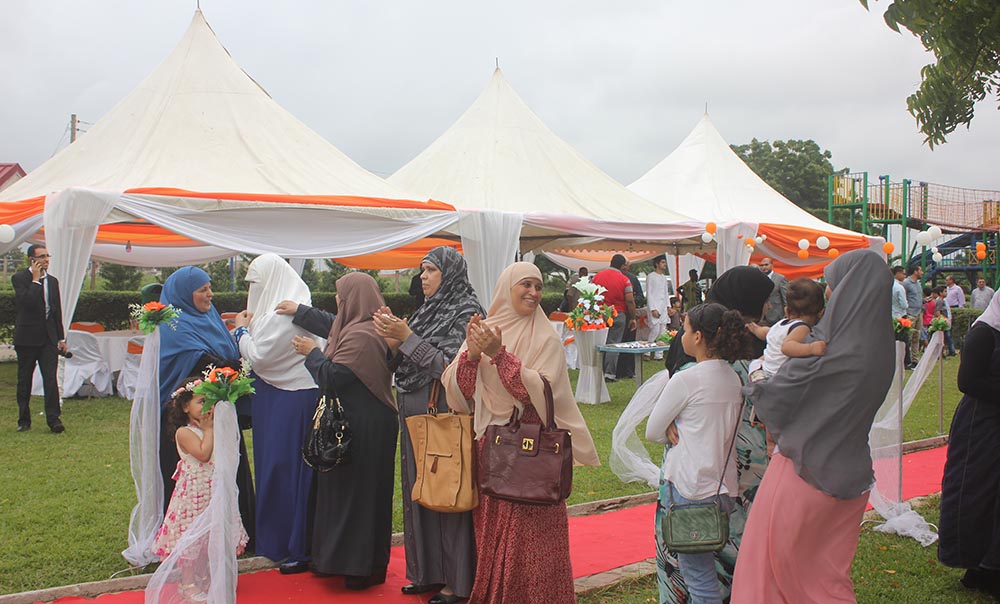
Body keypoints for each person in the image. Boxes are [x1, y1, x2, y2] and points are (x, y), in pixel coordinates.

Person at [732, 249, 895, 603]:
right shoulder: (881, 349)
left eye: (833, 283)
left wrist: (758, 374)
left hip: (804, 469)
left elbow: (780, 395)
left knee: (769, 571)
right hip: (851, 473)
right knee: (827, 575)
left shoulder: (827, 348)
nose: (828, 292)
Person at [441, 262, 600, 604]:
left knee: (534, 544)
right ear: (506, 288)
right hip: (492, 451)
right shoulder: (485, 331)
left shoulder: (545, 337)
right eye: (525, 284)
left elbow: (538, 393)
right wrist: (472, 355)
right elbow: (459, 394)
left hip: (532, 452)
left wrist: (499, 356)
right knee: (494, 539)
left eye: (538, 286)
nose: (533, 292)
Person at [656, 265, 774, 603]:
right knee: (741, 543)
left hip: (694, 460)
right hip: (747, 464)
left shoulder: (698, 336)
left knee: (692, 545)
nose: (768, 307)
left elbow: (672, 393)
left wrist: (669, 419)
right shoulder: (766, 341)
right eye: (765, 299)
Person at [373, 247, 482, 604]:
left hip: (443, 411)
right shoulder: (427, 309)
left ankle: (455, 581)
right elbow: (403, 359)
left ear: (450, 274)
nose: (423, 276)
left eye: (431, 270)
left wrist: (407, 337)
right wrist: (393, 341)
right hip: (414, 410)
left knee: (447, 489)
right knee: (419, 487)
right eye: (422, 270)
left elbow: (452, 367)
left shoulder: (466, 310)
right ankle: (426, 571)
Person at [283, 272, 397, 590]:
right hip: (354, 424)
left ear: (352, 299)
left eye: (340, 295)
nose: (337, 300)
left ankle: (361, 567)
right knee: (342, 496)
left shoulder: (362, 336)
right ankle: (336, 560)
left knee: (359, 499)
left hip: (365, 428)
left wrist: (312, 353)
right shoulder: (357, 328)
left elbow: (334, 377)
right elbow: (331, 324)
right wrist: (301, 311)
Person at [646, 303, 754, 604]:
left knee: (699, 579)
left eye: (685, 329)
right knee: (704, 572)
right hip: (722, 488)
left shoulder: (687, 379)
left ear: (697, 337)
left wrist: (670, 425)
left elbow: (652, 431)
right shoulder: (732, 378)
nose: (681, 335)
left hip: (690, 488)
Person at [232, 254, 318, 574]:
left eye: (257, 283)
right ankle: (278, 537)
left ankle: (290, 542)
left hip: (291, 399)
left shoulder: (287, 312)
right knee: (273, 467)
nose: (253, 290)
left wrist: (240, 333)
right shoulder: (288, 308)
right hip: (275, 397)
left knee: (286, 470)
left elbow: (260, 357)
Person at [158, 266, 255, 549]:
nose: (210, 294)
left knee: (227, 470)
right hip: (189, 417)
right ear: (184, 294)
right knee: (196, 481)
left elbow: (227, 354)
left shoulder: (210, 317)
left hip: (217, 411)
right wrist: (246, 364)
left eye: (209, 287)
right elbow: (205, 363)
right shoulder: (174, 324)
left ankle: (235, 534)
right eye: (202, 289)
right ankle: (189, 540)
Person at [938, 291, 1000, 600]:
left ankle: (991, 565)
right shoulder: (984, 333)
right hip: (982, 424)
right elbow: (968, 382)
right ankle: (978, 567)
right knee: (977, 493)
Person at [151, 377, 249, 566]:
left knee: (212, 535)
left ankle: (209, 575)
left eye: (211, 401)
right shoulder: (185, 432)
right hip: (195, 494)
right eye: (202, 401)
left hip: (214, 490)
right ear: (185, 406)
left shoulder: (212, 429)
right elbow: (203, 454)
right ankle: (189, 579)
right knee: (192, 540)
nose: (208, 406)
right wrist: (209, 430)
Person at [12, 245, 66, 433]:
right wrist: (35, 280)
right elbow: (27, 303)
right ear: (32, 260)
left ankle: (54, 419)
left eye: (47, 256)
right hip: (26, 338)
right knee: (24, 380)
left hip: (48, 339)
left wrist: (61, 338)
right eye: (42, 256)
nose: (46, 260)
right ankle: (24, 420)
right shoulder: (19, 278)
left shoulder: (53, 281)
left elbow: (56, 311)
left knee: (50, 379)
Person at [748, 278, 827, 381]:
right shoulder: (802, 327)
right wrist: (811, 348)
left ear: (787, 310)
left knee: (755, 363)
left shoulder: (781, 324)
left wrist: (755, 329)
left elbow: (767, 332)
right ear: (821, 313)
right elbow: (787, 347)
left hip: (765, 369)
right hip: (777, 375)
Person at [592, 254, 636, 382]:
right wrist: (633, 318)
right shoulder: (625, 279)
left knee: (598, 343)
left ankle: (596, 371)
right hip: (617, 314)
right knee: (613, 344)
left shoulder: (597, 276)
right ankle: (609, 374)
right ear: (622, 266)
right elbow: (630, 300)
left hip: (599, 314)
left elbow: (590, 294)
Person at [646, 256, 672, 359]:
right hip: (654, 306)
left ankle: (659, 354)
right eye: (662, 262)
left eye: (665, 262)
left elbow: (666, 293)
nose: (665, 264)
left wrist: (668, 306)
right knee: (655, 330)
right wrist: (652, 308)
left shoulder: (664, 277)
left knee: (662, 331)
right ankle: (647, 352)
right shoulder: (651, 276)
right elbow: (649, 294)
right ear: (657, 264)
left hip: (663, 307)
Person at [902, 265, 924, 369]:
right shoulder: (906, 283)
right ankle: (906, 360)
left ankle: (915, 359)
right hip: (910, 314)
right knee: (908, 338)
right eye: (920, 270)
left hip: (919, 313)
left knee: (916, 337)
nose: (922, 272)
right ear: (915, 272)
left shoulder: (918, 284)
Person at [759, 257, 787, 327]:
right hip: (761, 316)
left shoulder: (780, 278)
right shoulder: (758, 278)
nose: (764, 267)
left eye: (766, 265)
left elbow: (785, 298)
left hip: (776, 315)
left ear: (772, 265)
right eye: (761, 265)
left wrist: (786, 314)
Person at [934, 285, 957, 356]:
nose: (946, 293)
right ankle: (942, 353)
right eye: (945, 291)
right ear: (940, 293)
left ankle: (949, 351)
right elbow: (938, 312)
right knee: (944, 337)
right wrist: (942, 320)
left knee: (947, 337)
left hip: (945, 321)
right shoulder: (939, 301)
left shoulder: (943, 301)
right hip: (943, 322)